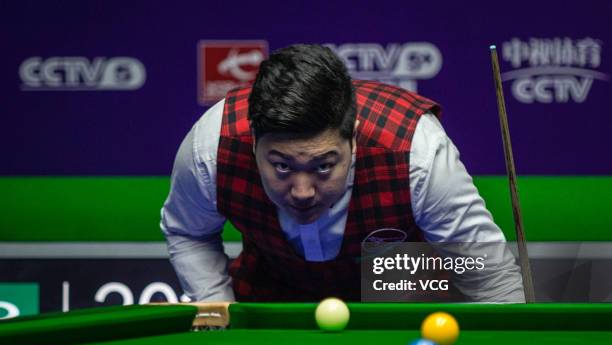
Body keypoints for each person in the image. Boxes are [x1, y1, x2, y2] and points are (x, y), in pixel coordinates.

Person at [160, 44, 525, 303]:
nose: (302, 191)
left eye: (323, 166)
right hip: (269, 298)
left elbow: (488, 276)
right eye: (282, 166)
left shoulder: (418, 152)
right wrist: (220, 311)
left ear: (353, 139)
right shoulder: (212, 147)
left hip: (399, 293)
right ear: (254, 140)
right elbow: (187, 231)